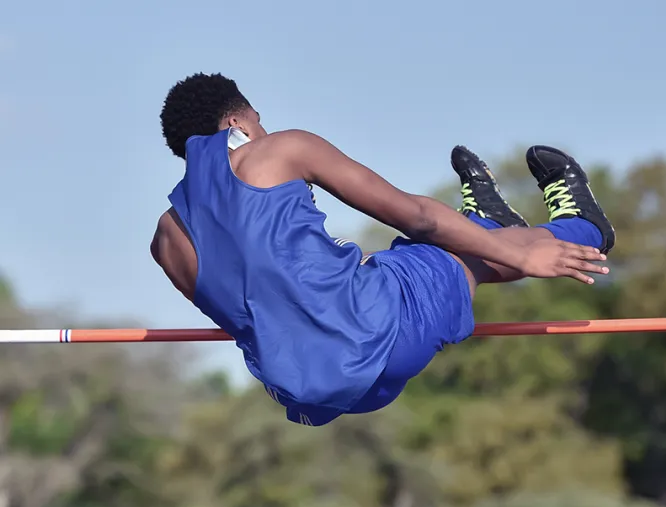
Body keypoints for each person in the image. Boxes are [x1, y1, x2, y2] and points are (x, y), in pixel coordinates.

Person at [151, 73, 615, 426]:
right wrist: (523, 258)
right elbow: (419, 217)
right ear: (236, 122)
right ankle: (585, 226)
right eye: (258, 120)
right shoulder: (280, 151)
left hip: (315, 398)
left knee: (404, 260)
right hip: (382, 336)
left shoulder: (166, 240)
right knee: (465, 250)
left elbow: (268, 305)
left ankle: (485, 217)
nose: (264, 128)